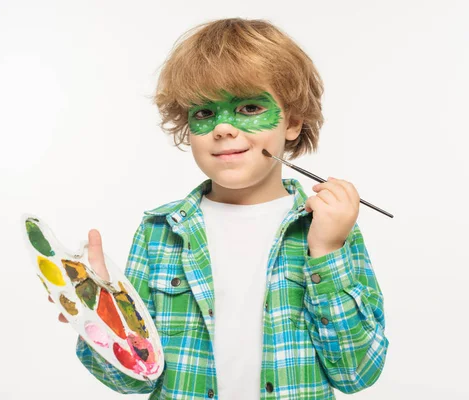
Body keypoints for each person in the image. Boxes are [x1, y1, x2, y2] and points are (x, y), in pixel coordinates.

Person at [51, 17, 389, 399]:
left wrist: (326, 251)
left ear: (293, 122)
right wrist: (100, 314)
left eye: (247, 107)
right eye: (205, 113)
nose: (224, 128)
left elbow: (356, 374)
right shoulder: (160, 231)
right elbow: (133, 379)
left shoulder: (328, 228)